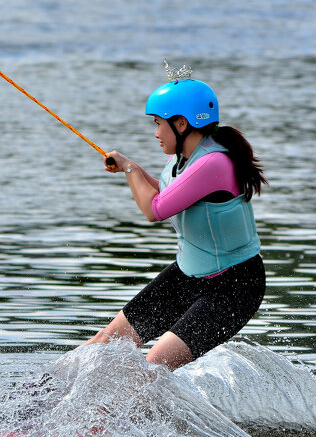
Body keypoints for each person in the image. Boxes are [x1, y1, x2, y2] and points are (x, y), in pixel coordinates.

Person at [79, 75, 267, 370]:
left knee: (156, 362)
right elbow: (171, 196)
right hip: (187, 276)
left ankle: (119, 417)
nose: (155, 133)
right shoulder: (182, 159)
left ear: (181, 124)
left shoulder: (213, 162)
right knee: (106, 342)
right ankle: (34, 399)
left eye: (158, 123)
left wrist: (129, 168)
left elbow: (155, 210)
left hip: (234, 286)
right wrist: (135, 170)